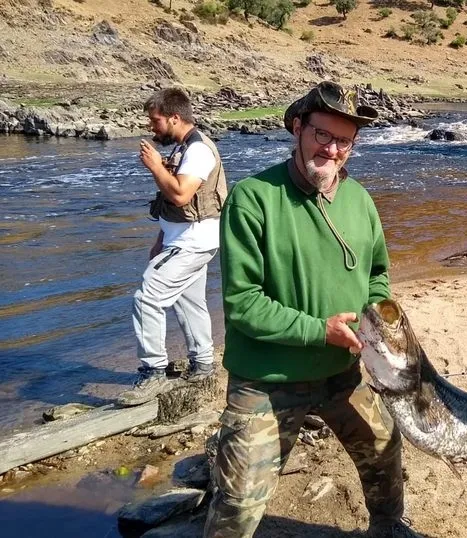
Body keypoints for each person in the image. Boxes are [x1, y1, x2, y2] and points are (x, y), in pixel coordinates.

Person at [204, 80, 419, 538]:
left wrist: (382, 322)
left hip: (344, 370)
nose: (333, 149)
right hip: (266, 379)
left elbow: (377, 275)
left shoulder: (359, 200)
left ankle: (388, 528)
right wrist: (319, 330)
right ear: (298, 127)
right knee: (238, 503)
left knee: (384, 446)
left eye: (345, 140)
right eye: (323, 135)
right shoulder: (253, 198)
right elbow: (243, 304)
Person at [117, 88, 228, 407]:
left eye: (155, 121)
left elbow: (180, 195)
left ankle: (153, 372)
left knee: (147, 298)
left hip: (192, 243)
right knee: (189, 302)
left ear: (175, 118)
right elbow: (177, 206)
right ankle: (203, 363)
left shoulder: (199, 151)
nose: (152, 128)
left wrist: (155, 165)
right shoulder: (186, 147)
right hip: (187, 240)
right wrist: (160, 240)